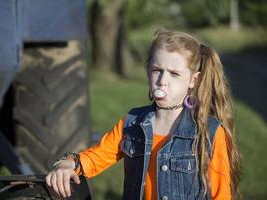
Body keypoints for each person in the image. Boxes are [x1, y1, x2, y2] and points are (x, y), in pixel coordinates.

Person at [46, 30, 241, 200]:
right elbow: (96, 157)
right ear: (148, 71)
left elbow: (221, 195)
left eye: (174, 74)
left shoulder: (210, 132)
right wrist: (67, 164)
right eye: (157, 70)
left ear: (193, 80)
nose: (163, 81)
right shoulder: (132, 124)